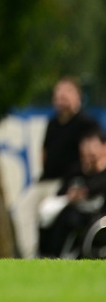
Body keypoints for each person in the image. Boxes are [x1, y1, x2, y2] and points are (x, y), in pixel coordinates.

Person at [12, 76, 100, 258]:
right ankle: (31, 256)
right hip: (45, 180)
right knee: (22, 208)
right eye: (58, 93)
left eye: (67, 92)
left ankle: (54, 254)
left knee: (50, 213)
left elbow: (95, 155)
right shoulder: (52, 123)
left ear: (78, 96)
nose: (61, 97)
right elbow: (43, 153)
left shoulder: (86, 123)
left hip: (66, 183)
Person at [38, 127, 106, 258]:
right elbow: (61, 192)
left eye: (93, 148)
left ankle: (63, 254)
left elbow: (96, 187)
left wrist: (84, 191)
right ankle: (46, 254)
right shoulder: (76, 171)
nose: (90, 153)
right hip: (72, 211)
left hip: (96, 216)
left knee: (70, 218)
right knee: (50, 218)